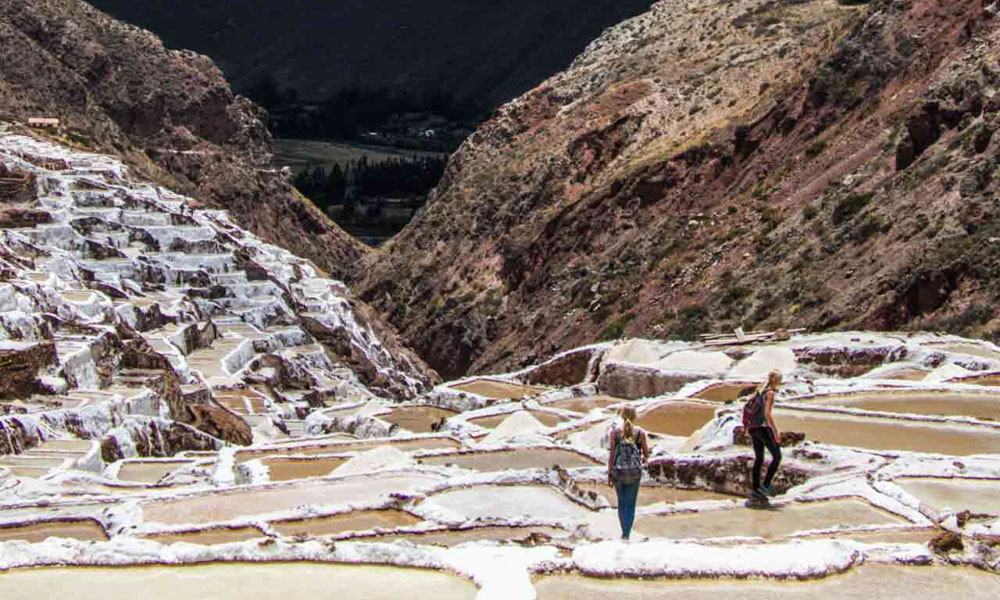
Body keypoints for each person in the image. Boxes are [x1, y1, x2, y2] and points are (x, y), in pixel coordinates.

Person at [607, 405, 650, 541]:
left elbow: (612, 455)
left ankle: (624, 532)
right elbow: (646, 454)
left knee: (622, 503)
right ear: (635, 416)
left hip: (618, 472)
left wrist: (609, 473)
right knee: (631, 503)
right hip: (634, 473)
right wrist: (643, 459)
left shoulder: (615, 433)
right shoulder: (640, 434)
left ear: (622, 415)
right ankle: (627, 534)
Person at [747, 370, 783, 502]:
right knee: (777, 456)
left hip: (753, 428)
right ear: (778, 381)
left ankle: (755, 490)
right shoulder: (770, 393)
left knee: (759, 459)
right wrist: (775, 432)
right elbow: (767, 414)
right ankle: (766, 486)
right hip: (762, 428)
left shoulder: (760, 391)